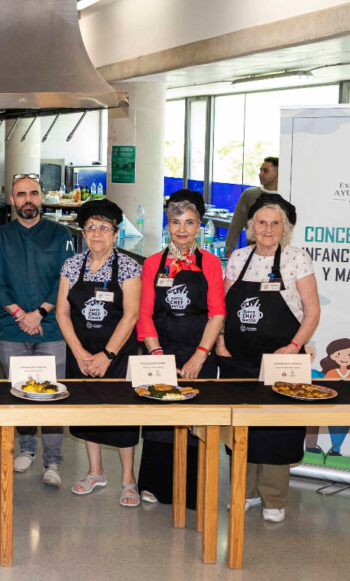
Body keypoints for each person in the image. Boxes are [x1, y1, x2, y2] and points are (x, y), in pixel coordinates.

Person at [217, 193, 320, 522]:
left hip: (283, 358)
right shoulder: (238, 258)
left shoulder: (296, 258)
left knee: (277, 430)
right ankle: (243, 491)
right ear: (250, 226)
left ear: (285, 229)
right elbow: (222, 308)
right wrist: (220, 340)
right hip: (239, 359)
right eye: (262, 222)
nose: (268, 228)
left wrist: (293, 347)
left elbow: (312, 312)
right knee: (241, 427)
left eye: (276, 223)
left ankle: (274, 498)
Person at [135, 189, 225, 505]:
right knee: (160, 418)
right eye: (176, 222)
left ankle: (192, 489)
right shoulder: (152, 264)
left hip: (198, 351)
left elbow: (217, 313)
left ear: (199, 225)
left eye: (189, 222)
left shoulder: (211, 263)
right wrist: (158, 356)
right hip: (161, 350)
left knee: (194, 421)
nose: (182, 229)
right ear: (168, 225)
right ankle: (154, 484)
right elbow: (144, 314)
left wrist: (201, 355)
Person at [55, 199, 143, 507]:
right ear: (82, 231)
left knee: (122, 415)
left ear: (116, 233)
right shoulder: (72, 265)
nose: (97, 233)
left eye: (105, 228)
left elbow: (131, 315)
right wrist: (79, 353)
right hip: (81, 352)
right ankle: (95, 472)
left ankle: (128, 479)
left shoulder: (129, 266)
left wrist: (106, 355)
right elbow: (63, 312)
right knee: (88, 411)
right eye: (91, 227)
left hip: (117, 354)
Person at [0, 173, 74, 487]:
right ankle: (26, 447)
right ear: (12, 201)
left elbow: (65, 281)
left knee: (52, 393)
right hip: (12, 330)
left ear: (42, 197)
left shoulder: (61, 234)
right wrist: (20, 315)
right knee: (19, 390)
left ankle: (53, 460)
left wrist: (39, 313)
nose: (28, 199)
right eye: (21, 194)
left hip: (51, 329)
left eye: (34, 193)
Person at [224, 156, 278, 255]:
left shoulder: (287, 196)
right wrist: (228, 246)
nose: (260, 174)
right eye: (260, 170)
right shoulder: (249, 194)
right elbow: (237, 222)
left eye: (265, 171)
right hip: (254, 253)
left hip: (280, 255)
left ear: (277, 174)